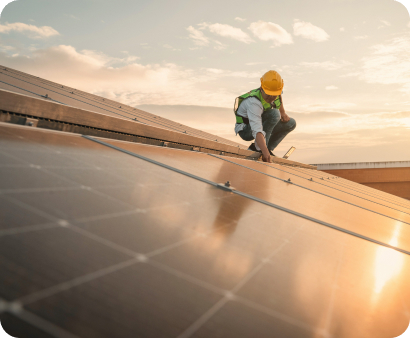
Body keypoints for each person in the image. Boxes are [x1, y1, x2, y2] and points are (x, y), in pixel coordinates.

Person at [234, 70, 296, 162]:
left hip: (260, 123)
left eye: (274, 95)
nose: (271, 98)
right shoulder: (253, 102)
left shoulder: (275, 93)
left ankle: (268, 149)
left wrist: (283, 112)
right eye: (268, 95)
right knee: (274, 114)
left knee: (291, 123)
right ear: (261, 88)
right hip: (246, 129)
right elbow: (256, 129)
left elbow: (279, 97)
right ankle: (260, 148)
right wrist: (264, 150)